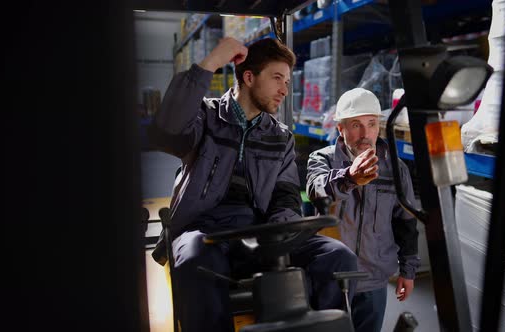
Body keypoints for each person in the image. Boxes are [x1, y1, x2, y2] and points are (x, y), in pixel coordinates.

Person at [149, 37, 358, 332]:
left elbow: (285, 196)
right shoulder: (206, 117)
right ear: (249, 77)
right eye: (277, 79)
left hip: (260, 232)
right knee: (196, 258)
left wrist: (282, 236)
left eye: (287, 81)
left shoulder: (280, 136)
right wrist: (209, 64)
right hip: (205, 232)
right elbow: (165, 132)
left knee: (338, 256)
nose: (285, 89)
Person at [306, 88, 421, 332]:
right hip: (330, 277)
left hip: (373, 279)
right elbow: (317, 190)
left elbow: (406, 222)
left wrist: (408, 270)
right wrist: (349, 178)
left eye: (371, 124)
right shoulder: (322, 159)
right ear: (341, 129)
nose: (365, 133)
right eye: (355, 124)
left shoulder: (395, 169)